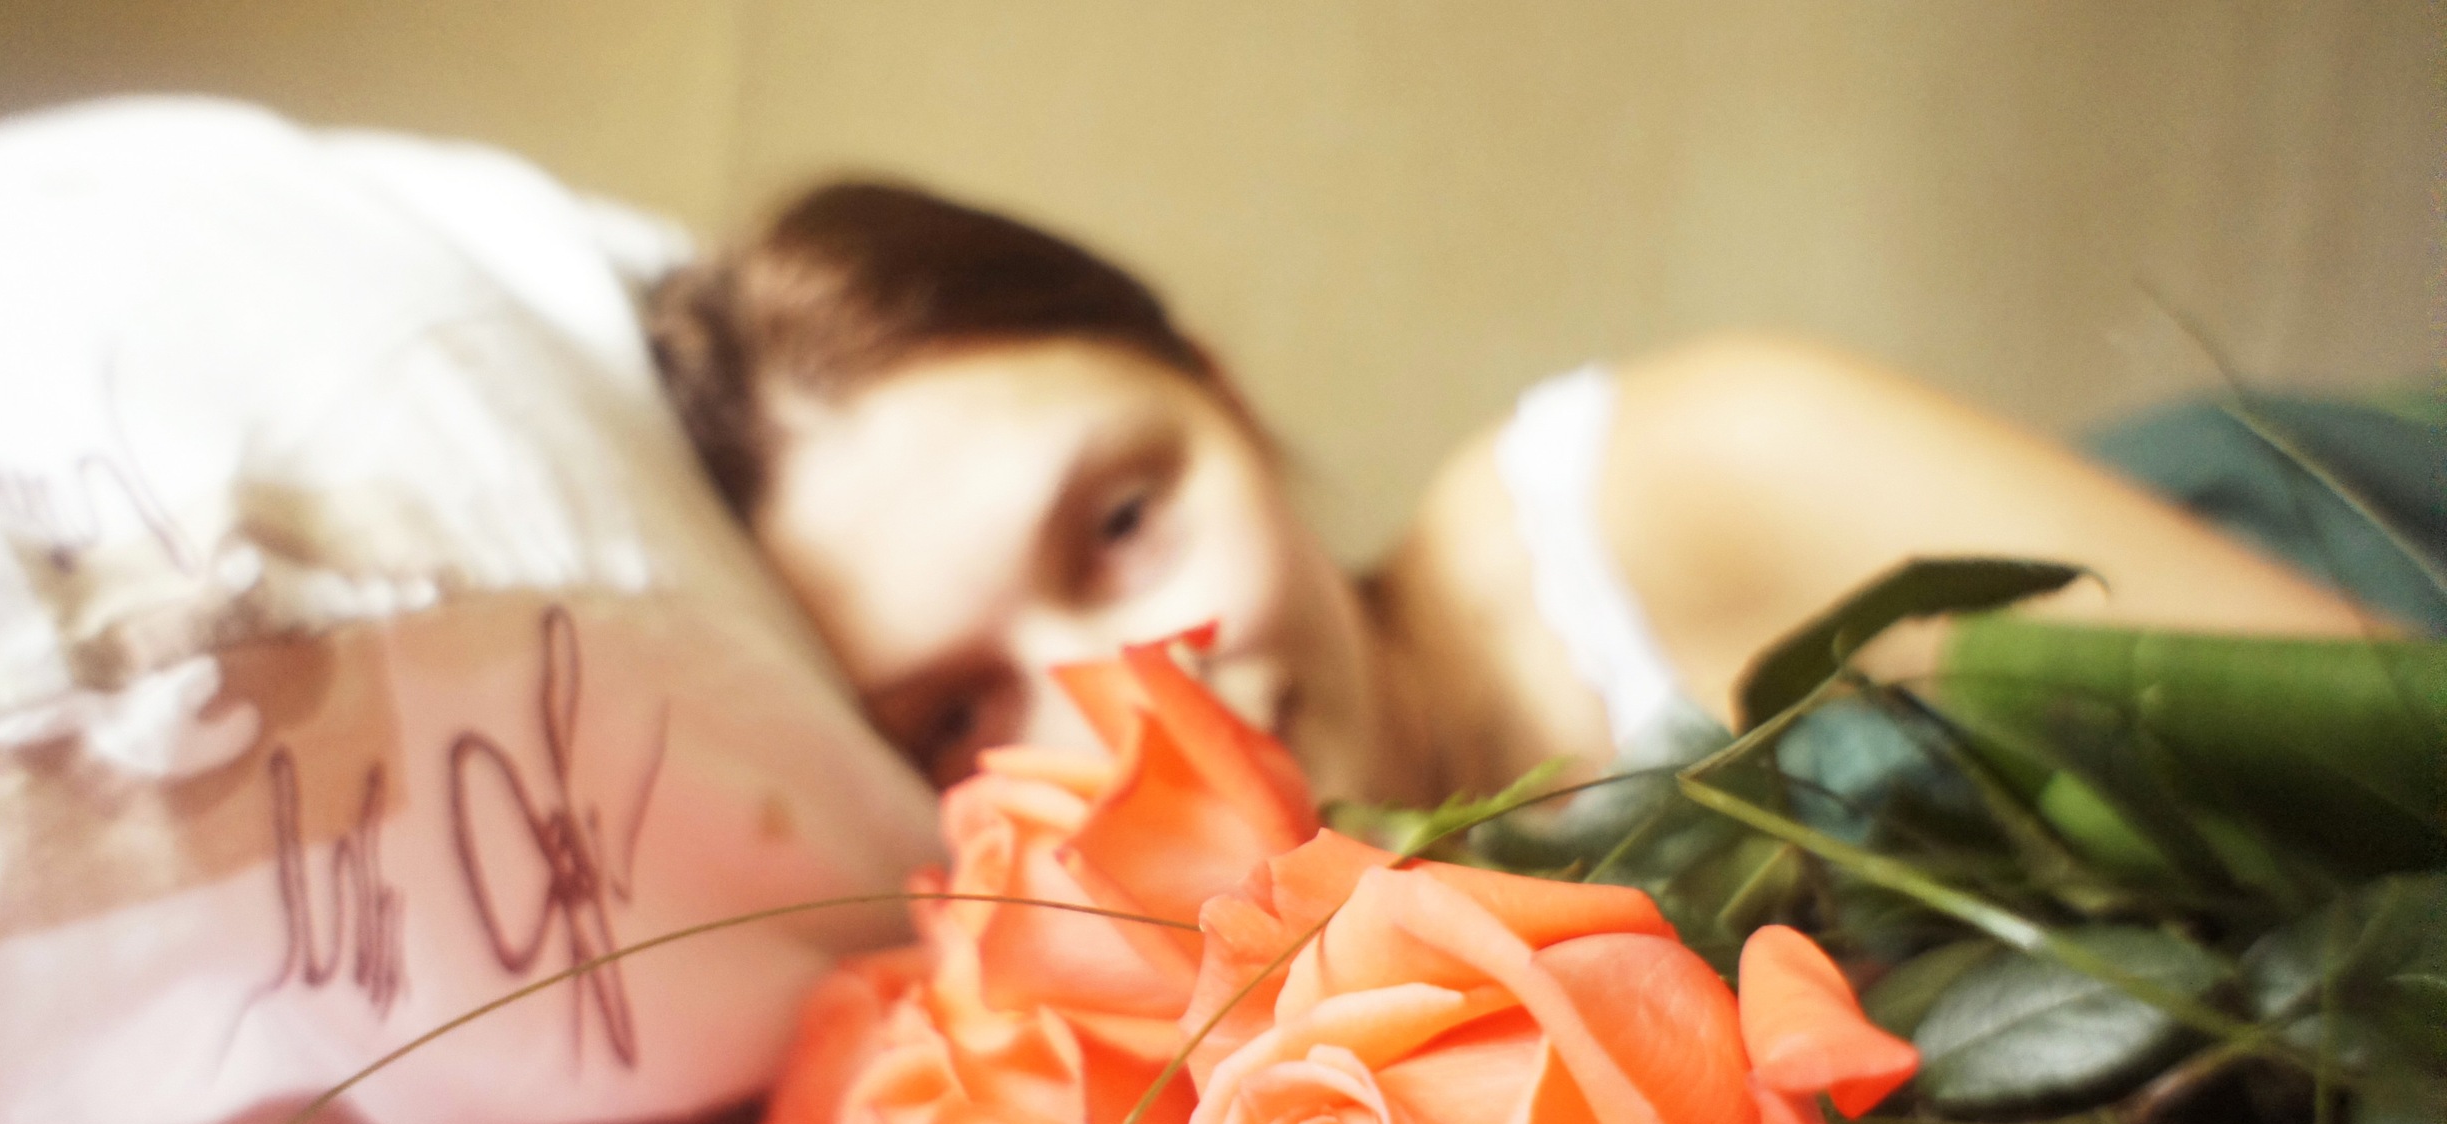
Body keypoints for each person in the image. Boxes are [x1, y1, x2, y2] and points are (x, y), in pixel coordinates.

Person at [643, 182, 2386, 808]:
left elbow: (2395, 750)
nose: (1133, 700)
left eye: (1118, 527)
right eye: (958, 716)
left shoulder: (1694, 475)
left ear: (1221, 394)